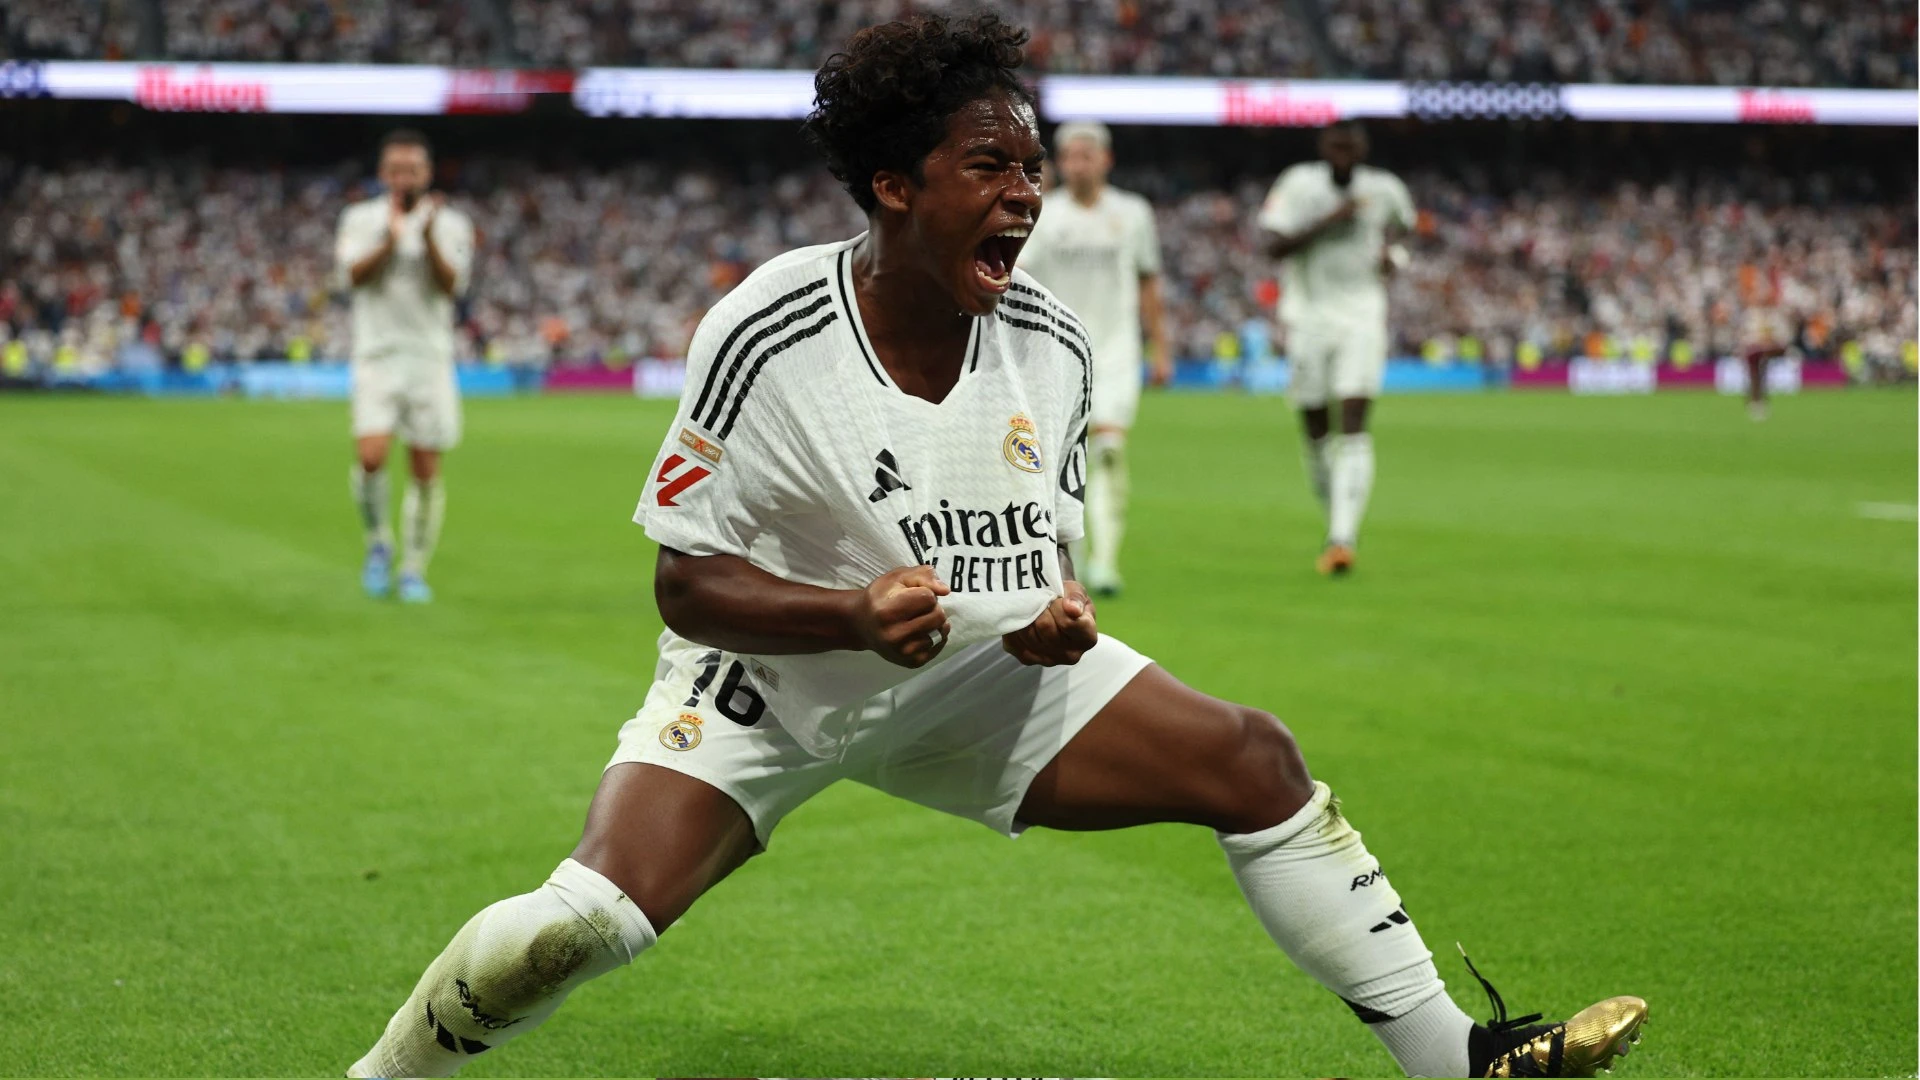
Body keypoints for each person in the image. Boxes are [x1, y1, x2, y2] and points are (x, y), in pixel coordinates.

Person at [347, 17, 1646, 1079]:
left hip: (969, 672)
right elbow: (683, 582)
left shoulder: (1053, 345)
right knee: (577, 929)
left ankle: (1459, 1060)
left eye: (1030, 167)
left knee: (1255, 760)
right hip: (773, 683)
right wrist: (849, 615)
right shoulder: (767, 329)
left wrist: (1053, 612)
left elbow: (1038, 559)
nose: (1024, 192)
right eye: (991, 166)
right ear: (895, 183)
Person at [1017, 119, 1171, 597]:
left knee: (1107, 451)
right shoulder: (1043, 215)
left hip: (1117, 351)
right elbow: (1020, 279)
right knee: (1059, 461)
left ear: (1106, 159)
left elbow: (1147, 280)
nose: (1078, 165)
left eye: (1087, 155)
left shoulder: (1133, 213)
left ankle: (1105, 561)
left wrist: (1160, 347)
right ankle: (1073, 562)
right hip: (1055, 354)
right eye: (1069, 156)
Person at [1260, 121, 1413, 576]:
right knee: (1315, 431)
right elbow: (1273, 246)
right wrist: (1330, 220)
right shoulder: (1298, 184)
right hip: (1308, 316)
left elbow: (1407, 230)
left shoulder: (1384, 189)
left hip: (1362, 315)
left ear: (1363, 150)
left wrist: (1396, 258)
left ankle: (1342, 536)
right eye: (1336, 145)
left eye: (1351, 146)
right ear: (1323, 148)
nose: (1344, 153)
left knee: (1353, 421)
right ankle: (1338, 520)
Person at [334, 129, 475, 603]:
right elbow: (352, 277)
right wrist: (390, 241)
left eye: (412, 169)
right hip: (376, 353)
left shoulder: (451, 224)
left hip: (429, 356)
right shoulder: (360, 219)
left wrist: (428, 237)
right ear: (382, 173)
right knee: (371, 456)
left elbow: (452, 286)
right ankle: (378, 542)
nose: (404, 177)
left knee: (425, 467)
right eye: (395, 169)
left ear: (426, 173)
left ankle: (414, 567)